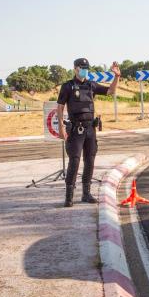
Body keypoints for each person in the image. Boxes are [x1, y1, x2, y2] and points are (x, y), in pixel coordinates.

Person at [57, 58, 120, 207]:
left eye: (86, 67)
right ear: (75, 69)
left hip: (90, 130)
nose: (84, 69)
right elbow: (60, 107)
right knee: (75, 160)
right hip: (75, 130)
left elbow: (110, 91)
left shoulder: (91, 85)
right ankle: (69, 196)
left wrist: (116, 77)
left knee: (90, 160)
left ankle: (86, 194)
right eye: (81, 67)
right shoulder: (68, 86)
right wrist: (60, 126)